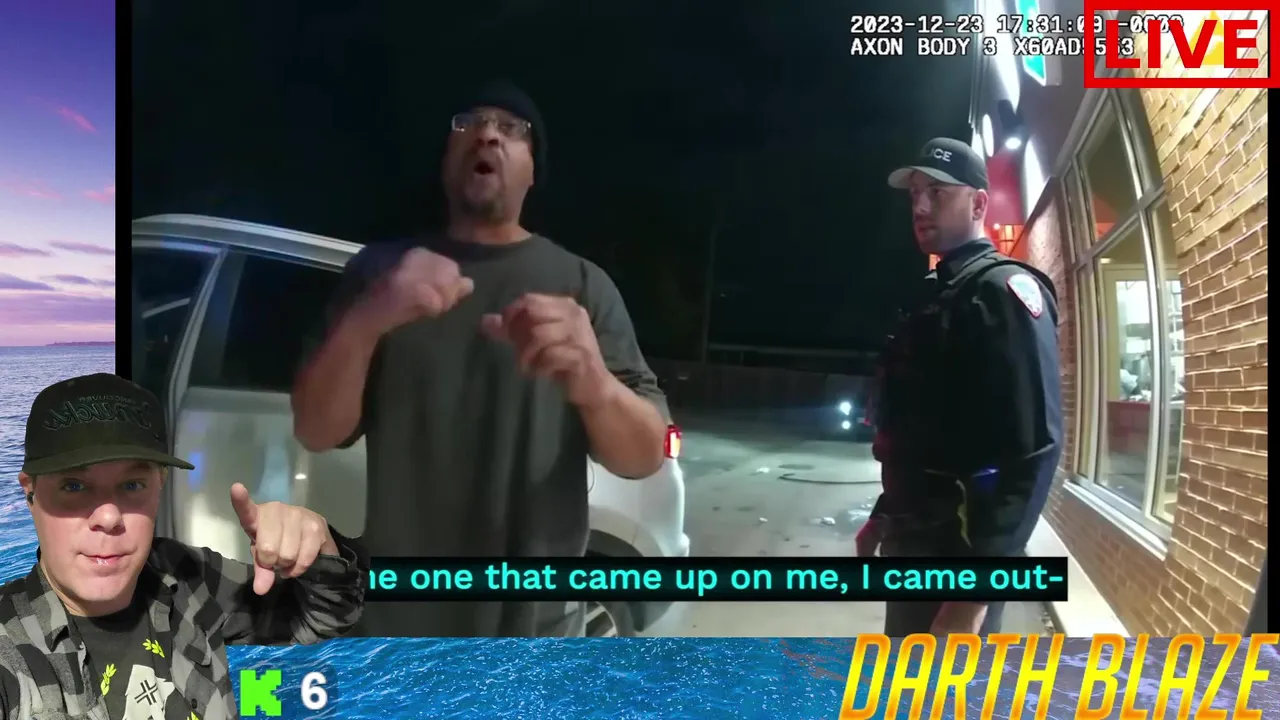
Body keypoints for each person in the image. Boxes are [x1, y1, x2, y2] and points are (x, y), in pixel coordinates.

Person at [292, 80, 669, 638]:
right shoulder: (381, 273)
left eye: (512, 129)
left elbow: (647, 455)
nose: (488, 134)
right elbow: (315, 429)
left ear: (533, 169)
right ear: (447, 156)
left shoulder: (583, 285)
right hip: (401, 628)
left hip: (536, 631)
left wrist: (596, 384)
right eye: (467, 122)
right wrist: (370, 317)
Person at [0, 373, 367, 720]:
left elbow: (324, 622)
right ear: (31, 492)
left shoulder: (187, 577)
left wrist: (318, 550)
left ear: (159, 485)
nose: (109, 517)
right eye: (74, 486)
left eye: (132, 485)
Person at [855, 137, 1064, 636]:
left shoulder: (1000, 292)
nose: (920, 207)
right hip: (915, 541)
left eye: (938, 192)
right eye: (915, 194)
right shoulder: (941, 293)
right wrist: (885, 514)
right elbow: (923, 432)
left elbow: (1034, 450)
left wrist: (973, 599)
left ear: (978, 204)